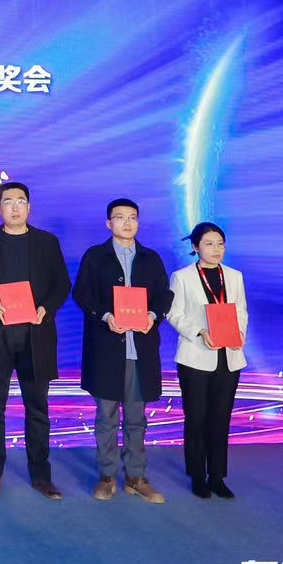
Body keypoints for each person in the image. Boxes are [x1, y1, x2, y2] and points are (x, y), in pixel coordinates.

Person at [0, 181, 71, 500]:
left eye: (20, 201)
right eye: (8, 201)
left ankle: (41, 476)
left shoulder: (47, 242)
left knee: (37, 408)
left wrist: (45, 308)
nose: (15, 207)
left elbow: (62, 284)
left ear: (29, 207)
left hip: (35, 335)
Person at [72, 198, 174, 504]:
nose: (127, 223)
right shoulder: (95, 256)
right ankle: (106, 475)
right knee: (105, 416)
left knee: (136, 418)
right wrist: (106, 316)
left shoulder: (150, 258)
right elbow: (82, 293)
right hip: (107, 348)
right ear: (109, 223)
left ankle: (135, 477)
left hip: (139, 350)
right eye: (120, 218)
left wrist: (152, 316)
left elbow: (164, 295)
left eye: (133, 218)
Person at [166, 222, 248, 500]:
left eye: (220, 244)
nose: (216, 249)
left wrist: (240, 333)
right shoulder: (182, 277)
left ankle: (217, 476)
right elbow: (174, 313)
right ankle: (197, 476)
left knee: (221, 418)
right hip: (195, 357)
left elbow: (242, 310)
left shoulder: (234, 276)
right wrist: (199, 331)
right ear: (195, 247)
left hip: (229, 357)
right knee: (196, 417)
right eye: (209, 244)